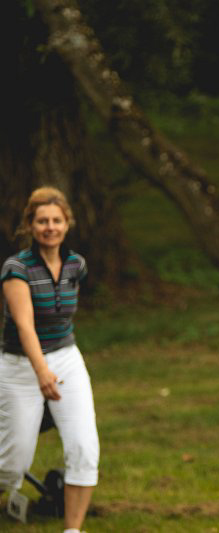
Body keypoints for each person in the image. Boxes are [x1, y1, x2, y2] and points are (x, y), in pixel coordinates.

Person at [0, 187, 99, 533]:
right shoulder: (16, 268)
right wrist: (42, 371)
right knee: (13, 464)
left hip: (66, 358)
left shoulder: (76, 264)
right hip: (20, 365)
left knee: (84, 448)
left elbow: (64, 315)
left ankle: (72, 530)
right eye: (42, 221)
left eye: (57, 220)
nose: (50, 227)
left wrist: (56, 363)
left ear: (67, 223)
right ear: (30, 225)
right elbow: (25, 325)